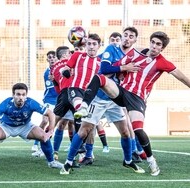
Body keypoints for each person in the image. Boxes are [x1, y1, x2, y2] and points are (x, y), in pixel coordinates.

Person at [76, 31, 190, 176]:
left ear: (162, 48)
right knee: (99, 78)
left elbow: (181, 77)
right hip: (122, 92)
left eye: (158, 44)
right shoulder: (135, 54)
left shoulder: (162, 62)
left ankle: (151, 160)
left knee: (137, 129)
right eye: (153, 42)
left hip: (137, 99)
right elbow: (114, 67)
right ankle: (84, 106)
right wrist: (116, 73)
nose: (154, 46)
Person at [60, 27, 144, 173]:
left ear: (98, 46)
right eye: (89, 44)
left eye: (94, 44)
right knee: (84, 130)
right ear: (85, 45)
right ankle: (68, 162)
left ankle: (128, 161)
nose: (92, 47)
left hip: (113, 100)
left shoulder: (116, 57)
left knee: (125, 131)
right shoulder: (105, 55)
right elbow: (105, 70)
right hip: (98, 99)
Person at [0, 83, 63, 169]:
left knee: (44, 136)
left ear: (26, 95)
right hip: (6, 126)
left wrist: (51, 131)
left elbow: (50, 113)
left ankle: (52, 162)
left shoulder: (30, 103)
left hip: (25, 126)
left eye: (23, 95)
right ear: (13, 95)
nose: (21, 97)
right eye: (18, 94)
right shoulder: (6, 104)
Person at [31, 51, 58, 156]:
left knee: (65, 123)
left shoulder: (61, 69)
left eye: (53, 57)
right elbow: (53, 87)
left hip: (60, 101)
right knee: (45, 120)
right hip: (49, 100)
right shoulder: (47, 73)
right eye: (49, 57)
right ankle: (37, 143)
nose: (51, 59)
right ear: (47, 60)